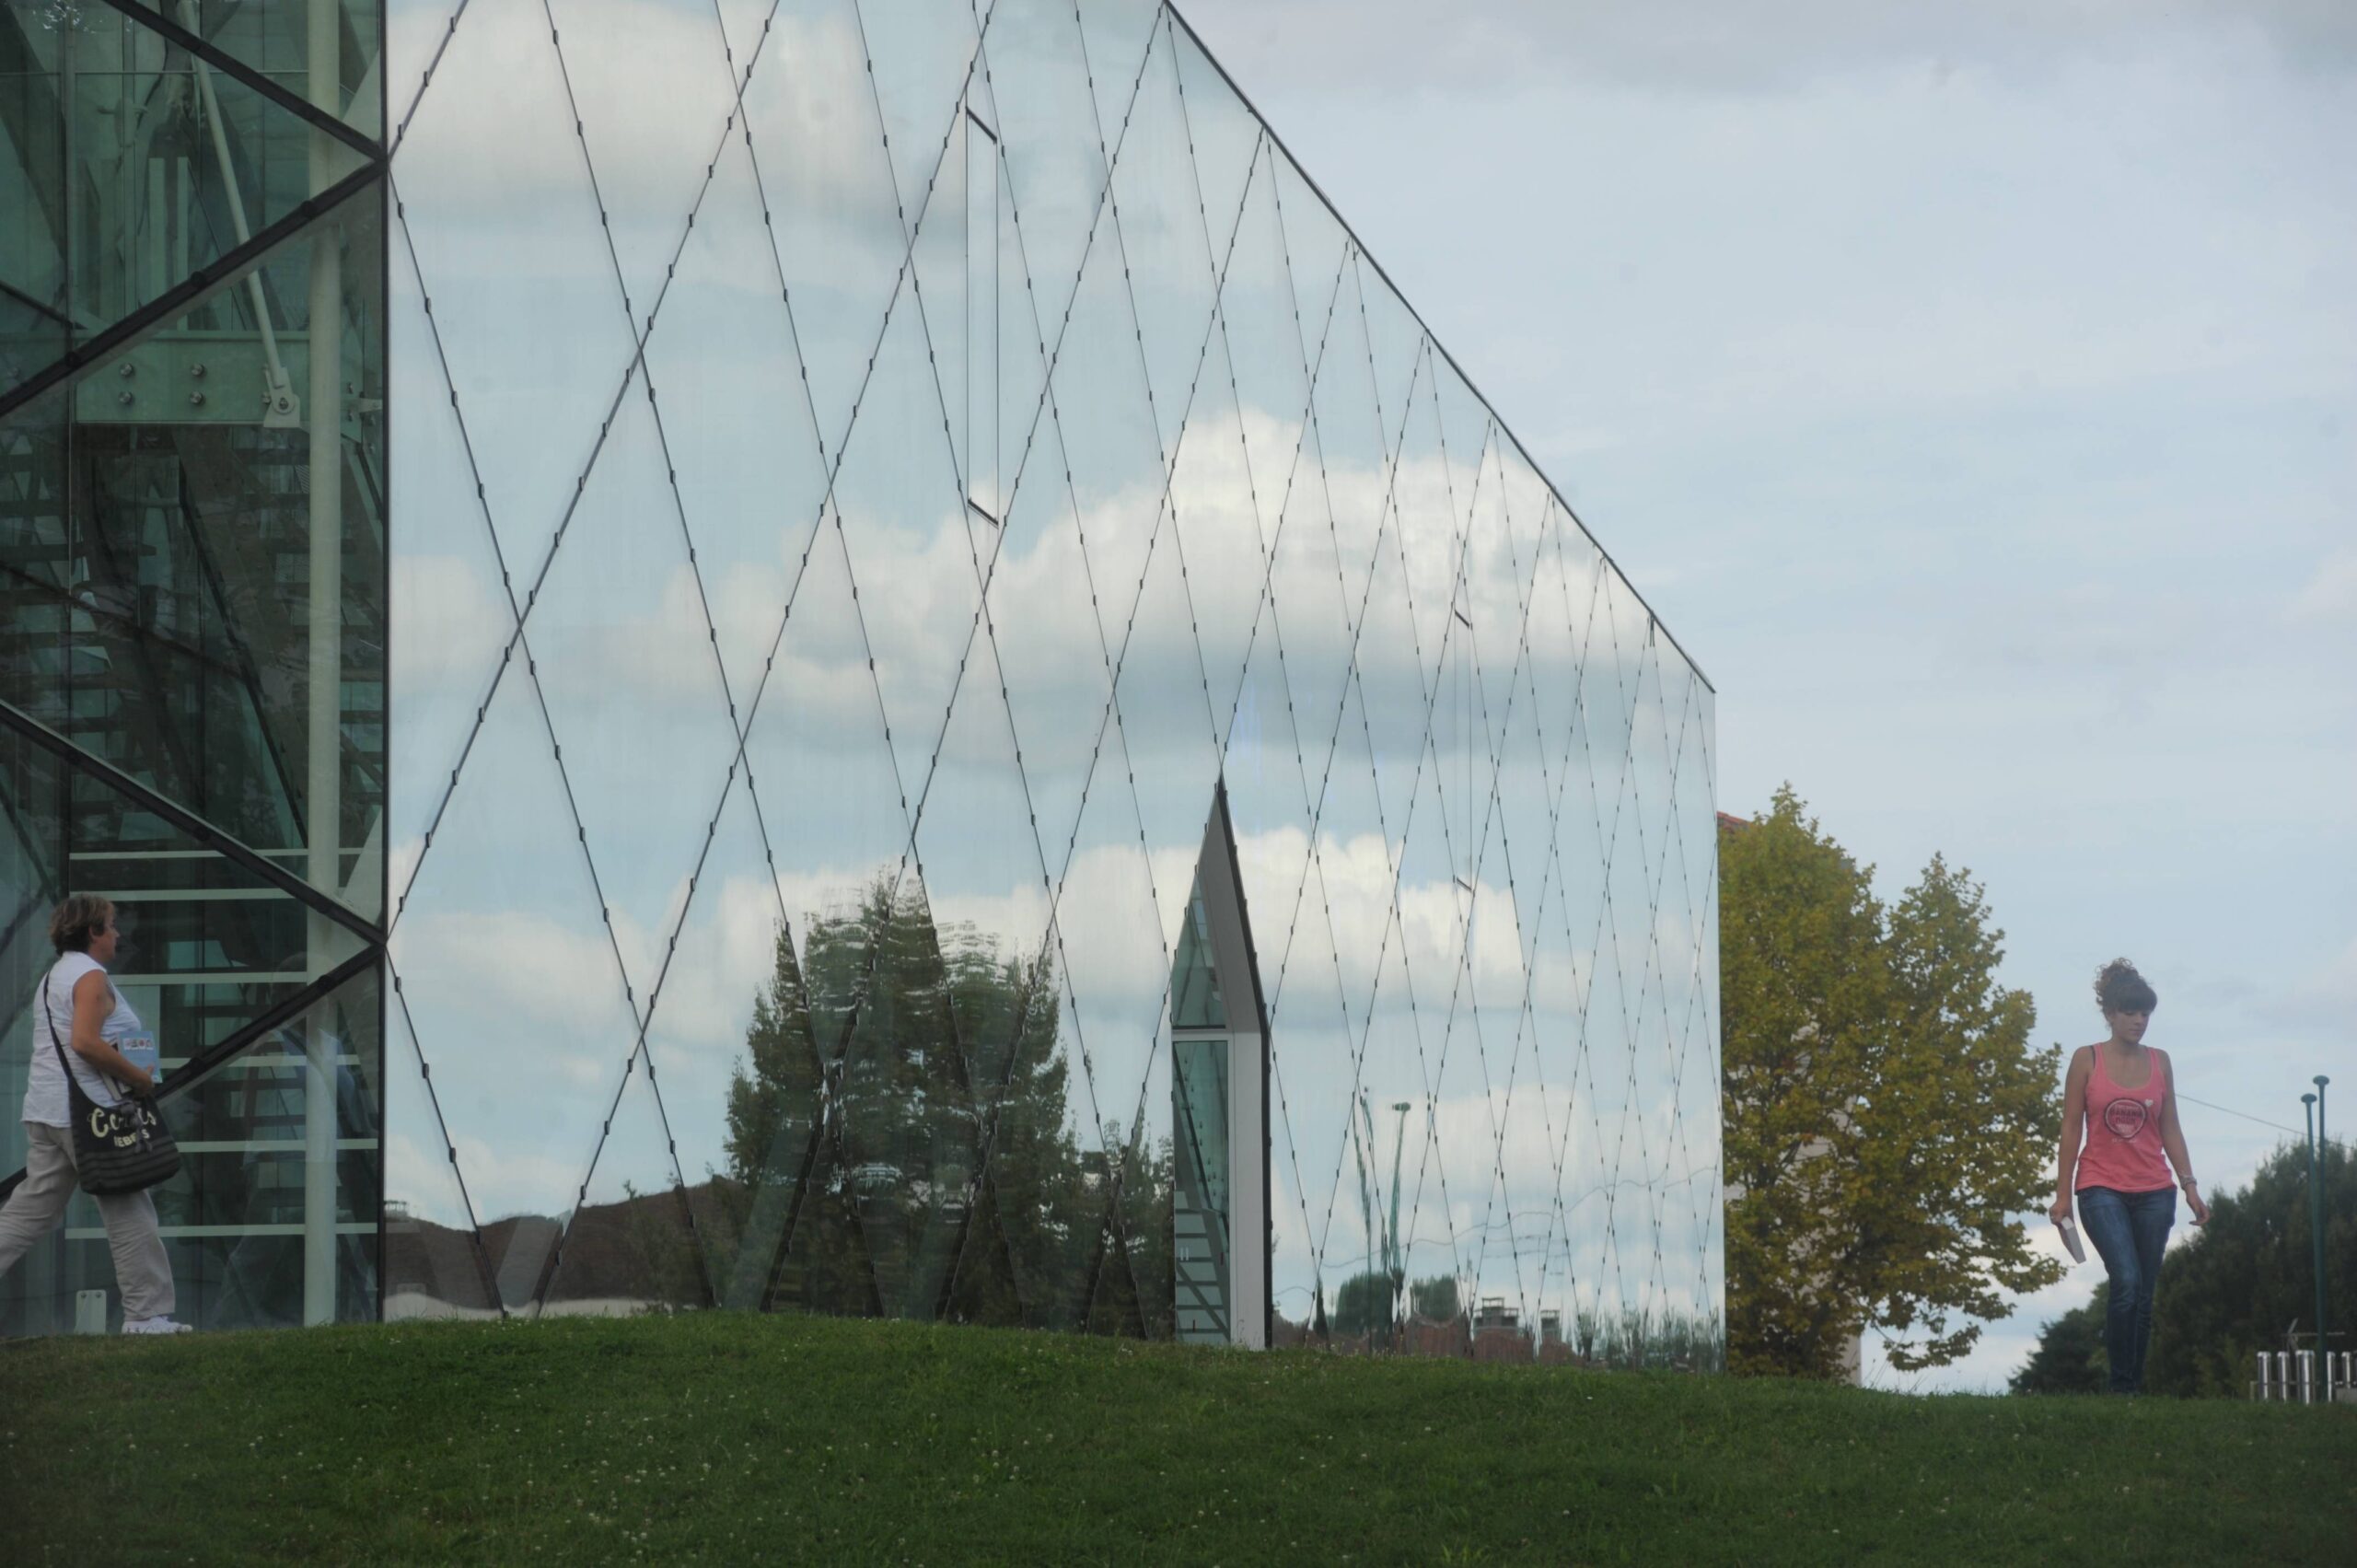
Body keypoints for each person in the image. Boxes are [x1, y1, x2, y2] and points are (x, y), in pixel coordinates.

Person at [0, 894, 189, 1333]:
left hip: (49, 1111)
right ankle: (145, 1316)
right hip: (90, 1115)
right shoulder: (88, 976)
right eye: (111, 925)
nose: (118, 934)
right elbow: (85, 1042)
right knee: (130, 1207)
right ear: (93, 932)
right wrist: (139, 1080)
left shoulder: (55, 977)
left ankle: (147, 1314)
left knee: (30, 1211)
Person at [2049, 958, 2205, 1394]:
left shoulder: (2161, 1061)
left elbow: (2170, 1126)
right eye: (2130, 1013)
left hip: (2155, 1190)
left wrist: (2190, 1186)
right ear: (2111, 1014)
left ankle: (2132, 1390)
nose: (2139, 1021)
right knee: (2127, 1282)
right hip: (2100, 1187)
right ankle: (2120, 1387)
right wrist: (2062, 1197)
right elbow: (2070, 1128)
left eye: (2145, 1013)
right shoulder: (2087, 1059)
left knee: (2144, 1295)